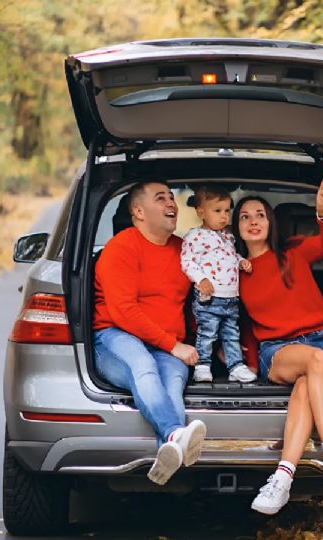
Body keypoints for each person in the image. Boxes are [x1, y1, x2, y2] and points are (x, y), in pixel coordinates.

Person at [235, 172, 323, 515]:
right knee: (312, 362)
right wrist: (240, 362)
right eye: (245, 216)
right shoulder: (235, 272)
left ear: (270, 221)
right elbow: (235, 323)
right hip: (277, 351)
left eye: (259, 214)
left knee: (308, 380)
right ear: (238, 227)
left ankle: (282, 478)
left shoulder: (292, 252)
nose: (253, 221)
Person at [92, 181, 206, 485]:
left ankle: (168, 452)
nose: (172, 203)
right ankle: (173, 432)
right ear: (138, 211)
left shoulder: (183, 251)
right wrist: (174, 346)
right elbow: (123, 312)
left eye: (172, 198)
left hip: (166, 343)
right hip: (115, 336)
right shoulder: (121, 248)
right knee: (143, 366)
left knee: (171, 385)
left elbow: (197, 303)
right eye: (161, 198)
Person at [180, 184, 256, 383]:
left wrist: (241, 262)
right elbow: (187, 262)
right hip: (209, 298)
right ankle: (203, 365)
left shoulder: (227, 236)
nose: (224, 216)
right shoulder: (195, 236)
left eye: (227, 210)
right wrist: (201, 279)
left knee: (231, 334)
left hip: (231, 298)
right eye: (217, 211)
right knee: (207, 334)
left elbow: (229, 257)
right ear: (201, 212)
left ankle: (236, 366)